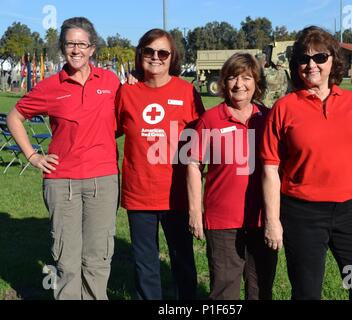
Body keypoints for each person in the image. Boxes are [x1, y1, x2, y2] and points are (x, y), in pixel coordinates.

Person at [261, 26, 352, 300]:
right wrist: (273, 220)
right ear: (296, 65)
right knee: (307, 293)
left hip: (349, 215)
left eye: (320, 57)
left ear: (333, 60)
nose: (312, 65)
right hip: (302, 216)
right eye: (304, 59)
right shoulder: (284, 108)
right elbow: (270, 169)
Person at [7, 17, 121, 300]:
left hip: (103, 181)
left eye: (82, 44)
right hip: (62, 183)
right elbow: (15, 116)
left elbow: (124, 118)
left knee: (98, 258)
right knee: (67, 261)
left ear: (92, 48)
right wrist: (33, 156)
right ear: (63, 47)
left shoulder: (111, 81)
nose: (76, 50)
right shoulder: (49, 87)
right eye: (70, 43)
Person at [115, 28, 204, 300]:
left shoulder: (187, 92)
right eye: (149, 51)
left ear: (172, 57)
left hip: (176, 193)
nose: (155, 57)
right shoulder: (126, 92)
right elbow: (108, 131)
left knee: (183, 261)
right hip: (139, 193)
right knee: (145, 264)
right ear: (140, 54)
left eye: (163, 52)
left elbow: (202, 140)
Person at [187, 52, 278, 300]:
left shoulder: (268, 118)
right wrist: (195, 211)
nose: (239, 85)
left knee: (261, 288)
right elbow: (193, 164)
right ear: (223, 83)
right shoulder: (210, 119)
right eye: (232, 78)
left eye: (247, 78)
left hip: (263, 219)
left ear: (256, 82)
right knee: (224, 289)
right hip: (223, 220)